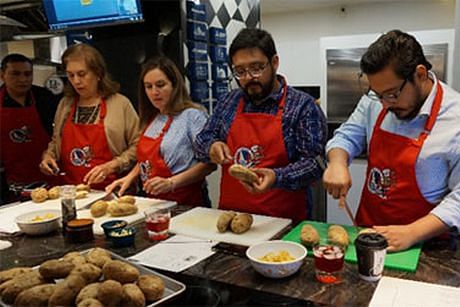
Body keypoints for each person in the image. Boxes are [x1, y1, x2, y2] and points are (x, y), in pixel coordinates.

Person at [323, 30, 460, 252]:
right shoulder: (376, 101)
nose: (384, 104)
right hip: (368, 233)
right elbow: (346, 136)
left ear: (420, 74)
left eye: (392, 94)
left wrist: (411, 233)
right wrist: (337, 162)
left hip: (428, 245)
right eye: (378, 94)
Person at [194, 28, 327, 221]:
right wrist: (211, 147)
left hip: (284, 223)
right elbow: (201, 141)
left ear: (274, 62)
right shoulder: (228, 102)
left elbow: (315, 164)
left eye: (256, 68)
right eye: (240, 71)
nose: (248, 77)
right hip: (232, 218)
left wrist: (277, 177)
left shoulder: (302, 106)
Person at [106, 56, 215, 205]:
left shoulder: (192, 116)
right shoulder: (152, 118)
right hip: (154, 202)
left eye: (160, 85)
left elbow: (209, 164)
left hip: (186, 202)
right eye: (148, 86)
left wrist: (171, 183)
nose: (154, 92)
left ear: (174, 85)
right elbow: (146, 161)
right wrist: (130, 177)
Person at [39, 43, 140, 189]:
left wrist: (113, 165)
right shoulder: (65, 104)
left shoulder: (120, 104)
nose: (76, 81)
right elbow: (56, 141)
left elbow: (138, 146)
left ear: (98, 73)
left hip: (112, 190)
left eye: (82, 74)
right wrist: (48, 156)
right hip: (72, 191)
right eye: (70, 75)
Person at [0, 54, 59, 187]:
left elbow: (60, 133)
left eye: (27, 74)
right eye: (15, 74)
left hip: (49, 175)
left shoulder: (45, 98)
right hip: (12, 181)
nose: (23, 79)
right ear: (2, 75)